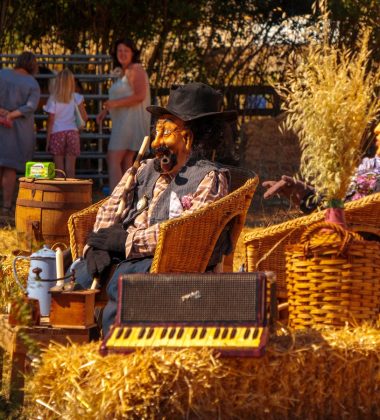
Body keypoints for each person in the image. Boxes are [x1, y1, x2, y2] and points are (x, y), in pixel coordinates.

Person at [72, 82, 237, 336]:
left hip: (166, 262)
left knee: (125, 283)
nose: (157, 141)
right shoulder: (144, 168)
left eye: (166, 132)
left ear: (189, 136)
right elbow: (112, 206)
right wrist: (98, 244)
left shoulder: (208, 178)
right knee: (76, 278)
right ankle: (78, 341)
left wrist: (127, 241)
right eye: (157, 131)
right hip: (125, 254)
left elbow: (185, 234)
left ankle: (114, 349)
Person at [262, 121, 380, 213]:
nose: (376, 133)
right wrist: (308, 197)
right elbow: (347, 206)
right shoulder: (369, 167)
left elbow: (353, 211)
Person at [96, 38, 151, 192]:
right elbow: (120, 97)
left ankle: (115, 198)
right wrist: (106, 110)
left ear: (133, 53)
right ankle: (127, 197)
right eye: (119, 50)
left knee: (113, 158)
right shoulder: (123, 72)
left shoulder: (135, 69)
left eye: (126, 50)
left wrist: (112, 104)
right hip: (123, 121)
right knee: (126, 161)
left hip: (130, 123)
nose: (122, 53)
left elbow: (139, 96)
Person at [0, 51, 40, 219]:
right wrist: (11, 114)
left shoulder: (2, 74)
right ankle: (6, 206)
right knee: (10, 168)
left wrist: (2, 112)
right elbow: (30, 106)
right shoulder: (32, 83)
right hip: (18, 130)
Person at [44, 68, 88, 178]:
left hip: (57, 133)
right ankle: (70, 194)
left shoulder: (53, 99)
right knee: (70, 168)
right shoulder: (77, 97)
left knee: (59, 169)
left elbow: (51, 121)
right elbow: (84, 117)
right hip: (73, 133)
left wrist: (47, 140)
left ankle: (60, 193)